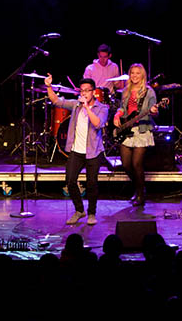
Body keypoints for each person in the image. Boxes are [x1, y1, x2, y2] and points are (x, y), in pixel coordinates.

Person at [45, 74, 109, 225]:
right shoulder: (75, 105)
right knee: (70, 181)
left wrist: (87, 107)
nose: (84, 93)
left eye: (87, 90)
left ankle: (92, 213)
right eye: (82, 91)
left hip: (93, 152)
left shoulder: (102, 108)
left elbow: (98, 124)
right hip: (76, 151)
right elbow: (56, 101)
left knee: (92, 184)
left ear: (93, 92)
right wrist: (49, 86)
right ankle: (79, 210)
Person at [112, 63, 159, 207]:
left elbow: (156, 112)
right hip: (127, 130)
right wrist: (117, 114)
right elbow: (122, 107)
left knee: (136, 163)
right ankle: (139, 187)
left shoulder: (149, 92)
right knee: (126, 164)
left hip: (142, 130)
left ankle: (140, 194)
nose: (134, 76)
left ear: (143, 75)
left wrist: (154, 111)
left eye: (138, 73)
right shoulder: (126, 90)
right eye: (132, 73)